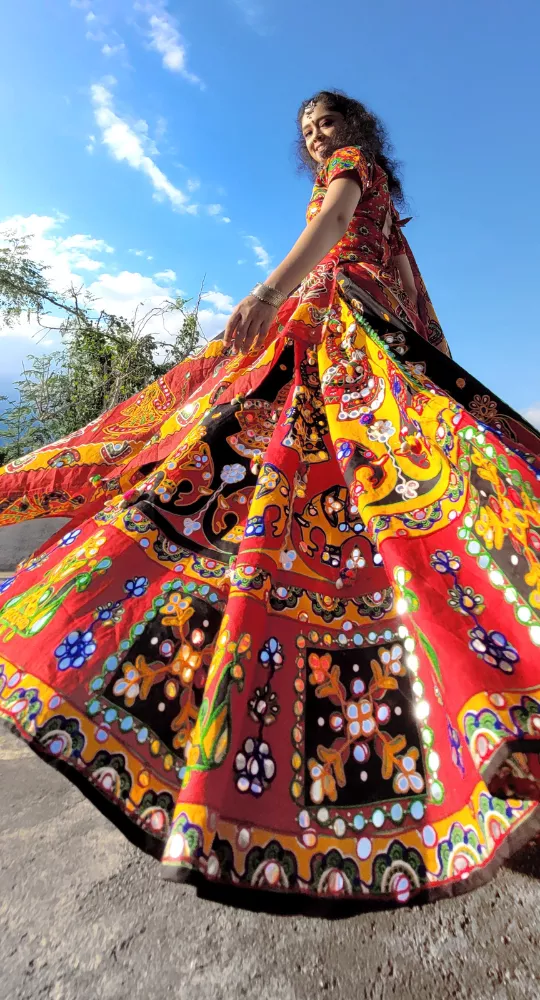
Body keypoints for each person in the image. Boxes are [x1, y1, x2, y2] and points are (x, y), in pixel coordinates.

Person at [1, 89, 539, 909]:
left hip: (337, 315)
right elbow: (401, 280)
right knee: (351, 491)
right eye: (308, 130)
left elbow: (333, 226)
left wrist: (265, 293)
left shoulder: (352, 172)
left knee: (223, 454)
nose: (318, 137)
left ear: (355, 129)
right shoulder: (381, 199)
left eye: (328, 123)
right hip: (361, 323)